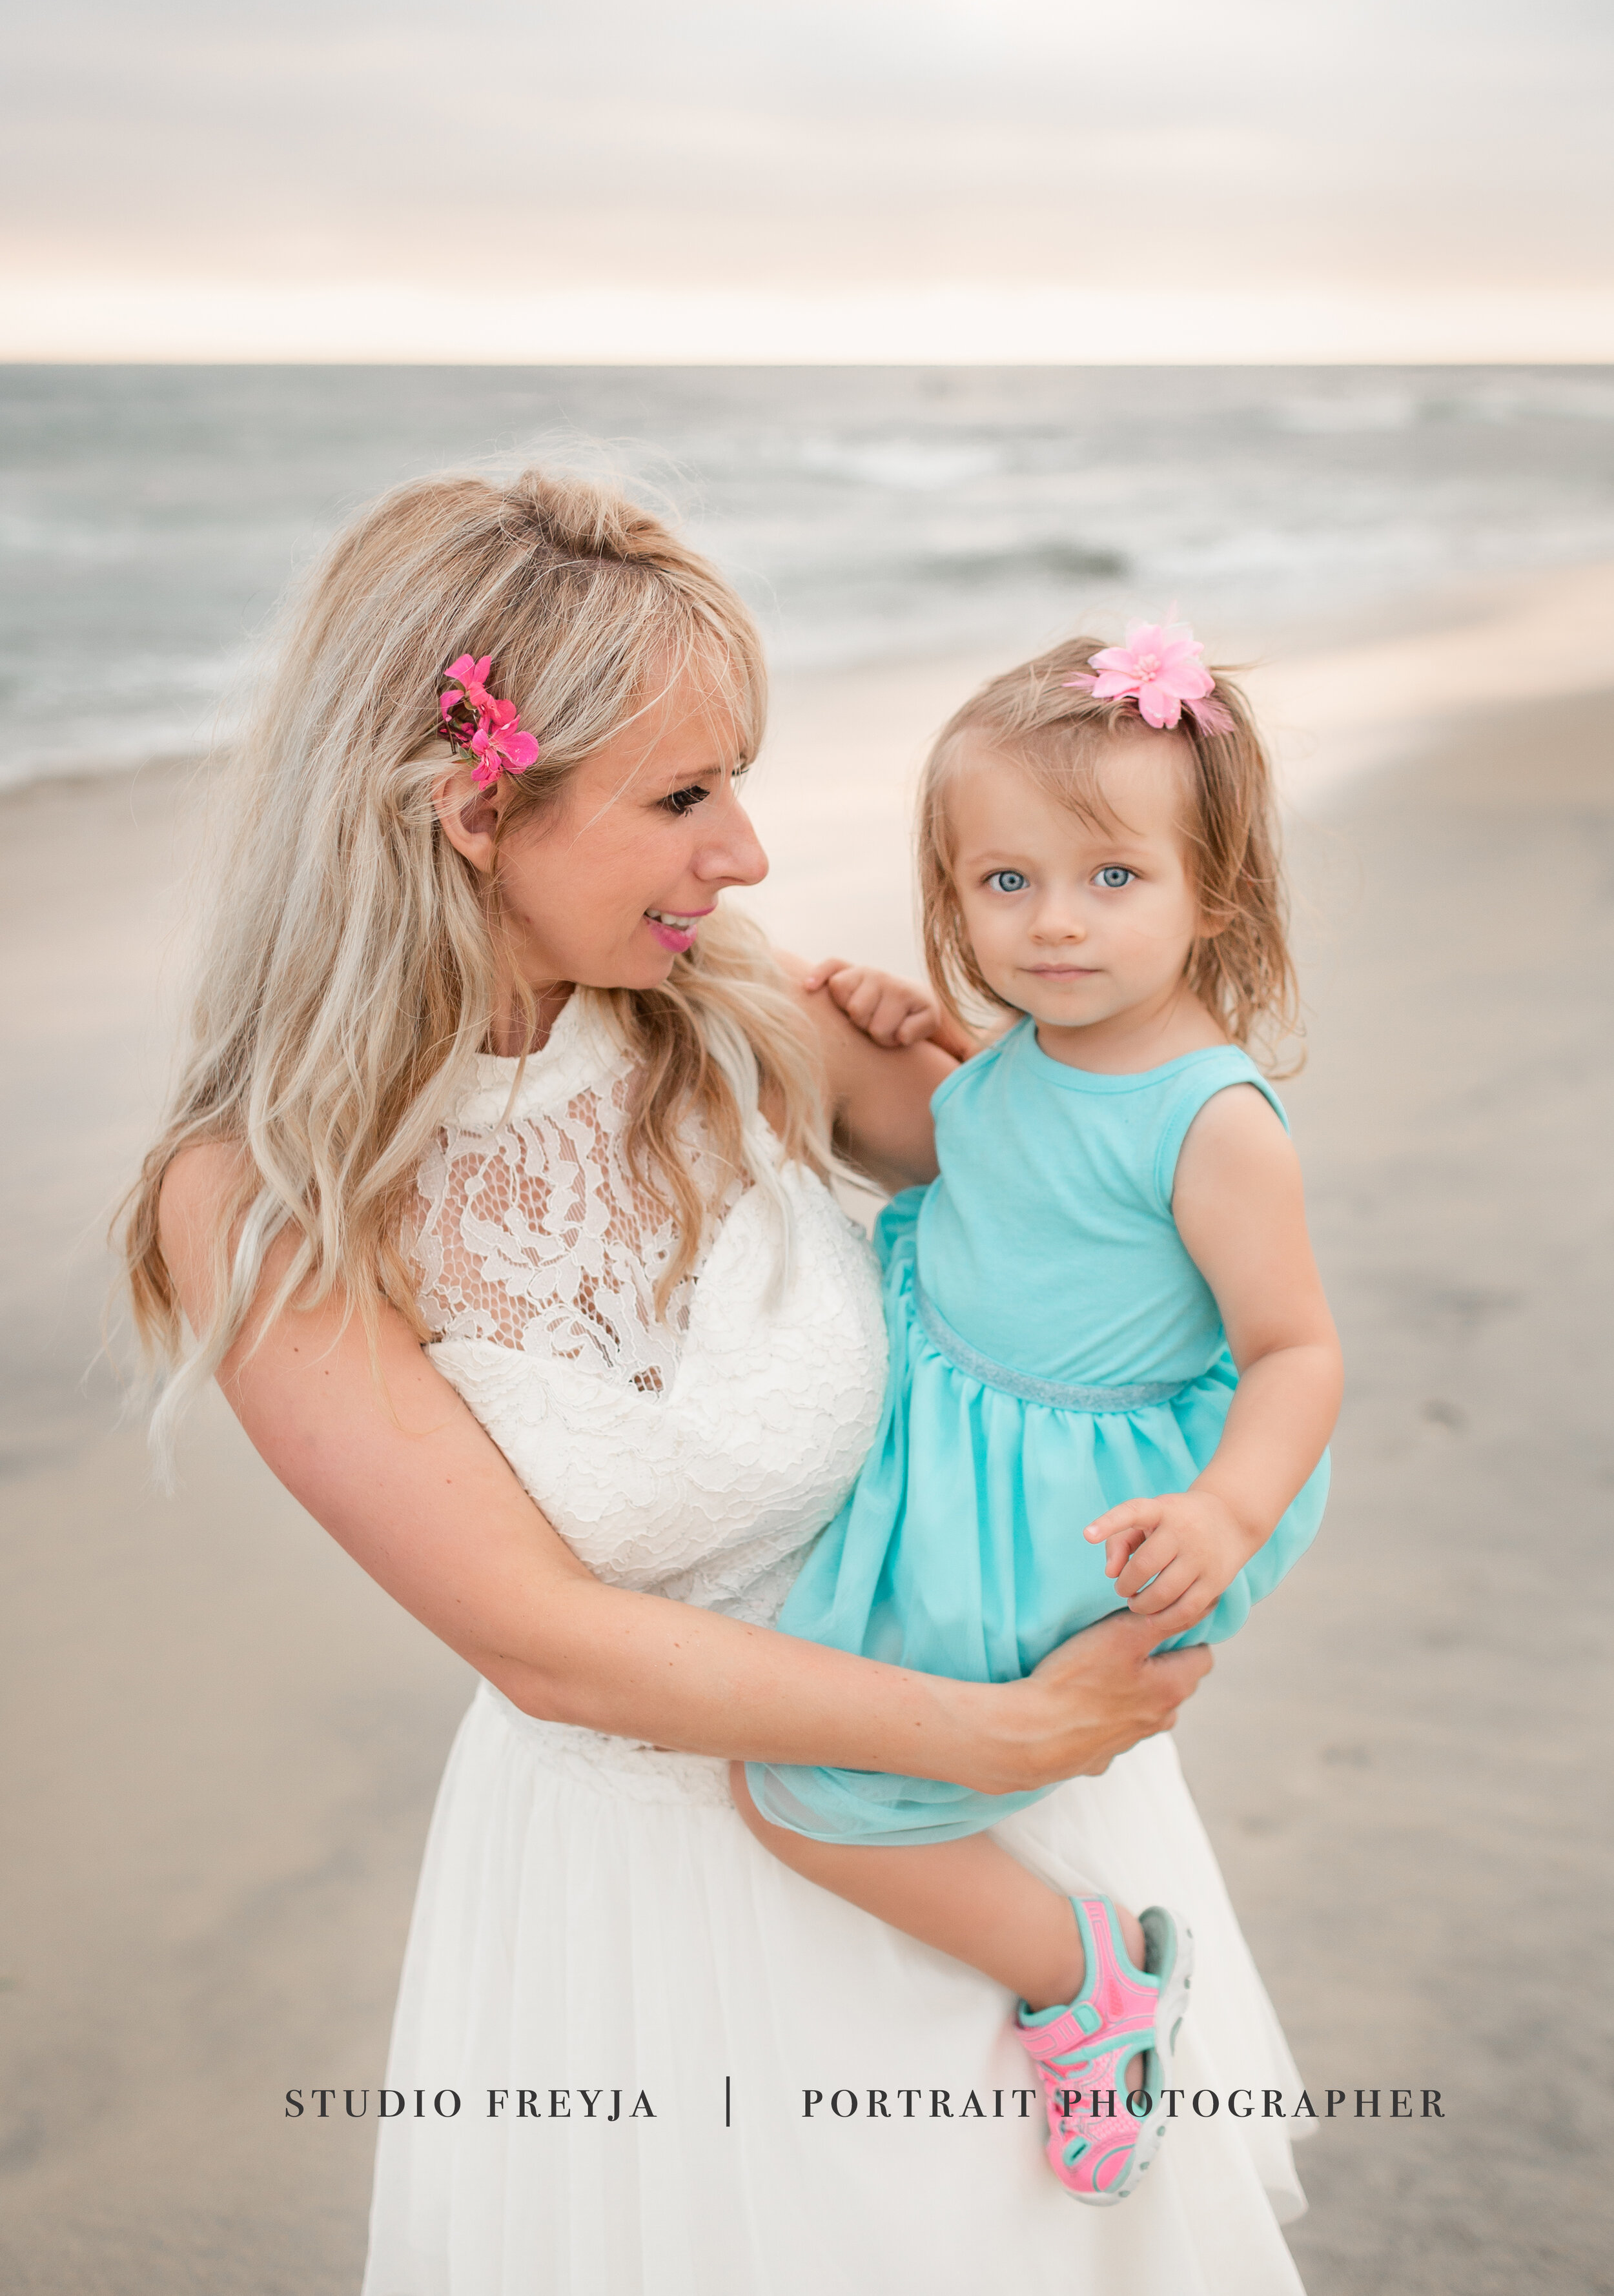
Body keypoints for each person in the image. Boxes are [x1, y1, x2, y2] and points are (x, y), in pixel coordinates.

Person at [124, 472, 1313, 2295]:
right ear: (469, 810)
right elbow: (542, 1637)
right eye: (683, 797)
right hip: (658, 1910)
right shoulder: (266, 1196)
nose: (746, 853)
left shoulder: (737, 1005)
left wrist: (1015, 1051)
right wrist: (1001, 1736)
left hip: (996, 1842)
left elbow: (1085, 1211)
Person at [737, 625, 1340, 2204]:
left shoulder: (1210, 1119)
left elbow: (1293, 1353)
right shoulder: (1027, 1047)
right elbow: (989, 1168)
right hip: (957, 1441)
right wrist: (929, 1042)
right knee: (815, 1735)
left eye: (1109, 880)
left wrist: (1221, 1513)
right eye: (1003, 885)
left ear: (1214, 892)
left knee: (816, 1796)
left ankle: (1094, 1975)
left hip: (1078, 1492)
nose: (1052, 924)